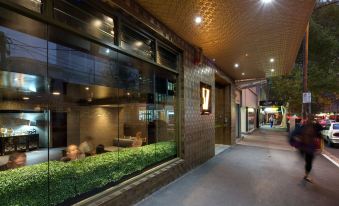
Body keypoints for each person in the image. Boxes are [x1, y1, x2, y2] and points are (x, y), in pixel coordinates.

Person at [290, 116, 323, 182]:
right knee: (309, 162)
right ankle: (306, 174)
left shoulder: (302, 127)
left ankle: (306, 173)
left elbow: (293, 134)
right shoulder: (314, 127)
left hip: (304, 147)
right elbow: (320, 136)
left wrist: (294, 142)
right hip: (309, 148)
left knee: (307, 161)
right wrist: (320, 148)